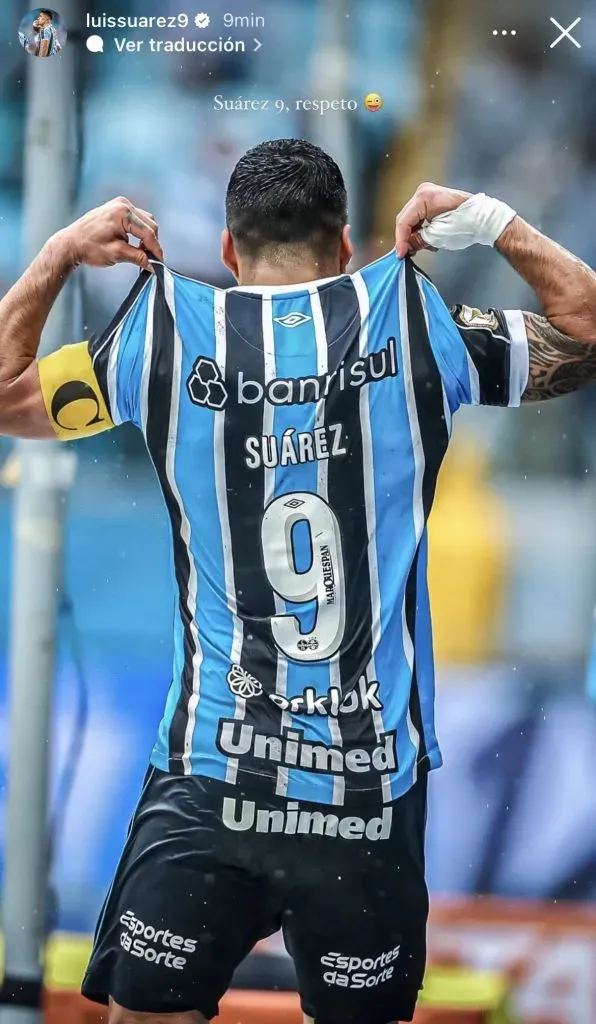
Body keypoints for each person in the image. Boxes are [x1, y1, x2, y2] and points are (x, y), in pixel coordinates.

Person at [0, 139, 596, 1024]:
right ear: (346, 244)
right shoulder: (414, 323)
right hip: (367, 793)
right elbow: (585, 327)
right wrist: (490, 220)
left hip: (212, 777)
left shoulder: (162, 336)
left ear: (229, 250)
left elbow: (3, 391)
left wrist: (57, 254)